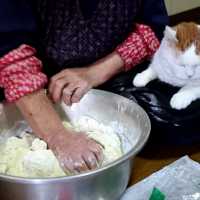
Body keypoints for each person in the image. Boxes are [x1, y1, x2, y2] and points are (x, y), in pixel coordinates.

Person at [0, 0, 169, 172]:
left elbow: (154, 29)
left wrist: (95, 72)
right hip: (36, 84)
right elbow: (11, 54)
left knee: (171, 123)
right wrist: (58, 137)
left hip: (111, 70)